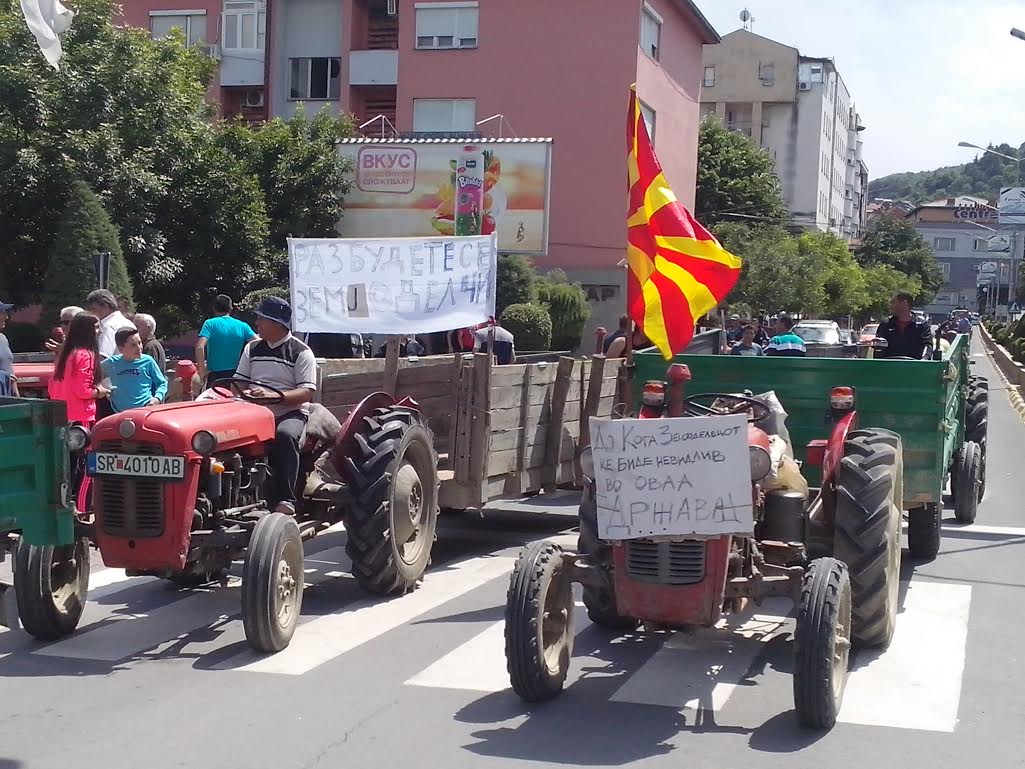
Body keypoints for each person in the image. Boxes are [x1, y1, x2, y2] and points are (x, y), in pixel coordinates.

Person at [234, 297, 318, 515]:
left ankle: (286, 500)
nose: (257, 324)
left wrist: (273, 396)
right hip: (254, 411)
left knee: (285, 436)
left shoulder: (301, 352)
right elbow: (240, 381)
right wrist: (244, 393)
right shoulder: (252, 348)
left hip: (289, 411)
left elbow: (307, 392)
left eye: (261, 319)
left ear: (277, 323)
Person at [48, 313, 110, 495]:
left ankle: (67, 503)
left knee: (64, 466)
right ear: (88, 331)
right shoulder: (86, 355)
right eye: (97, 327)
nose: (99, 331)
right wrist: (101, 391)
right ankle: (82, 508)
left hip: (61, 415)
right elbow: (82, 391)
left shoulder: (65, 353)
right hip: (81, 418)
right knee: (87, 465)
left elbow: (52, 387)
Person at [101, 328, 168, 412]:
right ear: (121, 349)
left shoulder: (148, 361)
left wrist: (157, 398)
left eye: (139, 343)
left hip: (145, 410)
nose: (139, 347)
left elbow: (162, 382)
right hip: (120, 413)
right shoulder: (111, 363)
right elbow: (93, 375)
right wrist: (101, 388)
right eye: (133, 345)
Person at [196, 294, 256, 388]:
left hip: (215, 375)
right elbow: (257, 342)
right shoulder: (242, 325)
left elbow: (200, 347)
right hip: (236, 374)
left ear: (214, 308)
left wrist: (202, 371)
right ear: (230, 308)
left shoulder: (210, 324)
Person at [875, 292, 932, 359]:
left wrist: (924, 359)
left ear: (904, 303)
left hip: (914, 366)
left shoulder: (922, 325)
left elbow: (927, 345)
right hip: (889, 366)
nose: (890, 306)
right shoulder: (886, 324)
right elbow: (879, 347)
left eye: (893, 303)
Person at [84, 289, 135, 360]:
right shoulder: (128, 323)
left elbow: (103, 357)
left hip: (113, 370)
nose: (91, 312)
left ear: (105, 307)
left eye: (93, 308)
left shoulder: (107, 326)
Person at [0, 299, 17, 396]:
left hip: (7, 399)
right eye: (2, 312)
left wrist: (17, 398)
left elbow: (11, 373)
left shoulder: (3, 339)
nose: (6, 317)